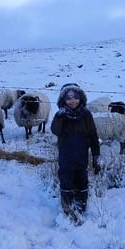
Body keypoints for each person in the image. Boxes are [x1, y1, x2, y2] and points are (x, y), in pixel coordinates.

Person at [50, 83, 101, 224]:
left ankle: (82, 204)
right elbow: (56, 131)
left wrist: (96, 154)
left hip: (81, 154)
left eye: (76, 97)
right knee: (66, 178)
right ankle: (67, 205)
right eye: (68, 98)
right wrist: (59, 117)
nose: (72, 101)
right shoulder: (61, 115)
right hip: (66, 154)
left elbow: (93, 135)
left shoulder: (86, 114)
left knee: (82, 178)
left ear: (81, 98)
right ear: (63, 100)